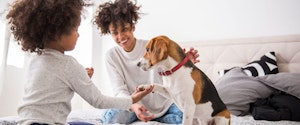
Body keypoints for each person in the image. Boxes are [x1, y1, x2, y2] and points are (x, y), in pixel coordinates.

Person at [6, 0, 153, 125]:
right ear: (58, 32)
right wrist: (131, 100)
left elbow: (52, 88)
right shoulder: (68, 64)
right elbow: (99, 101)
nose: (78, 34)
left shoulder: (35, 59)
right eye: (75, 29)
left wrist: (80, 78)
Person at [94, 0, 200, 124]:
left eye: (124, 29)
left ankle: (159, 118)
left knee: (189, 117)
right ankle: (157, 119)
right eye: (115, 33)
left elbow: (171, 75)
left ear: (133, 27)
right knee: (110, 118)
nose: (121, 37)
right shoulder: (111, 56)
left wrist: (184, 64)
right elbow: (119, 91)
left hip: (165, 106)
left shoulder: (153, 46)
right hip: (134, 106)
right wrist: (133, 106)